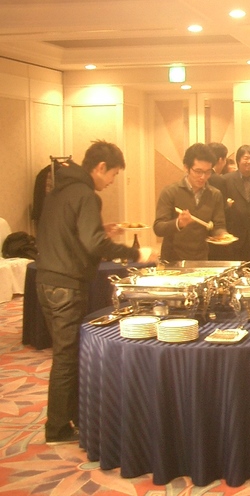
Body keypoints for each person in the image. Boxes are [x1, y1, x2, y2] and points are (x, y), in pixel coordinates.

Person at [36, 140, 142, 444]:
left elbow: (70, 232)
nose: (111, 182)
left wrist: (99, 229)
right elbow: (94, 245)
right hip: (66, 285)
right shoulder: (86, 194)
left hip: (46, 280)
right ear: (100, 167)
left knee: (64, 354)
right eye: (113, 175)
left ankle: (71, 418)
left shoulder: (59, 189)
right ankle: (58, 428)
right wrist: (134, 253)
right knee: (66, 358)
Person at [153, 143, 227, 261]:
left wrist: (222, 234)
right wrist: (178, 223)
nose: (203, 177)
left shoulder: (215, 194)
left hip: (201, 259)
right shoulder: (170, 192)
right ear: (186, 167)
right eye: (198, 171)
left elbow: (218, 225)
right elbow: (158, 228)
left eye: (208, 172)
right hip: (172, 260)